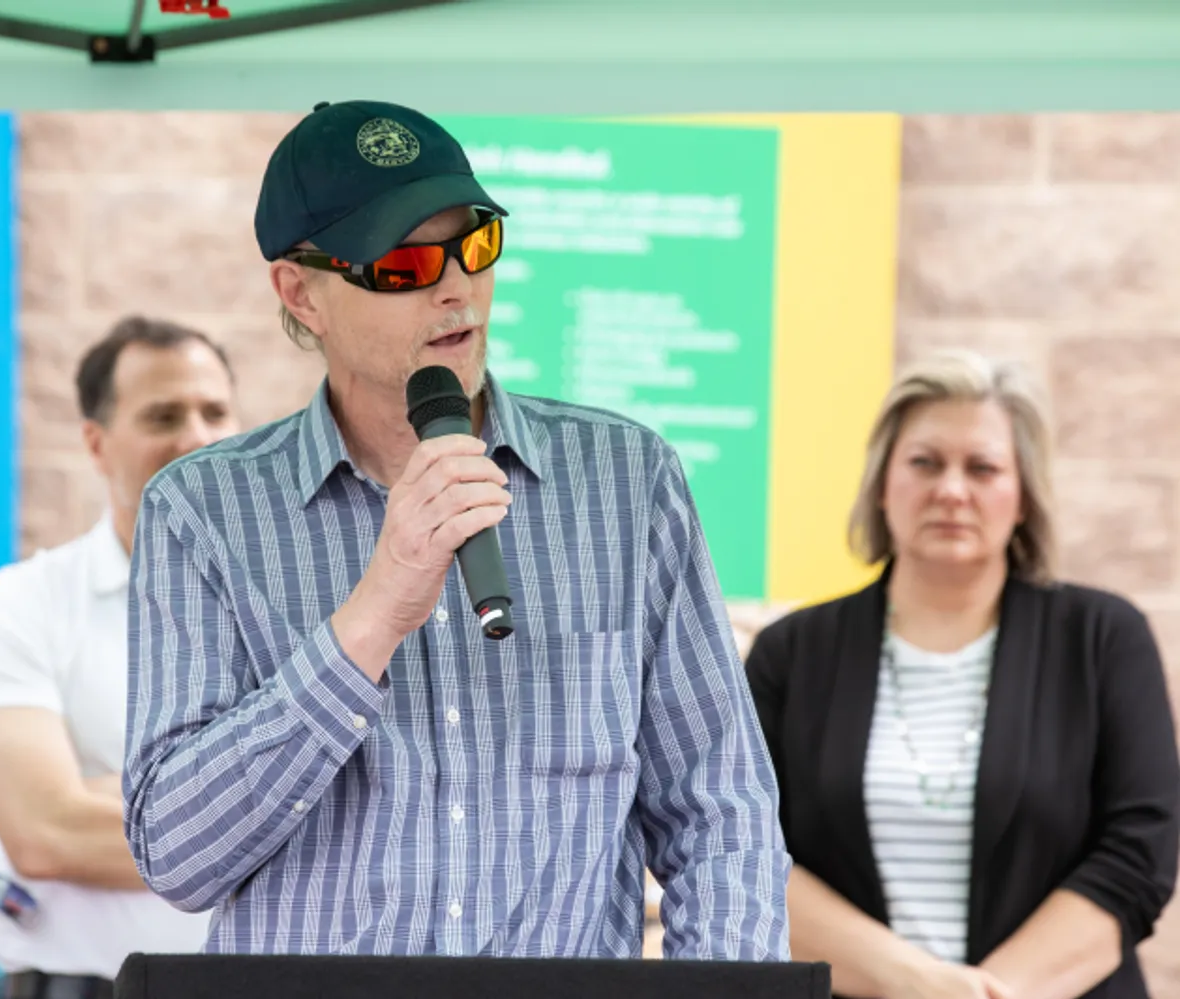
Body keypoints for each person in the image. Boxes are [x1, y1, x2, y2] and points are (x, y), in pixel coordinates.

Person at [122, 99, 791, 959]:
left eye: (474, 243)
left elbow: (721, 813)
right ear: (301, 292)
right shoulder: (201, 512)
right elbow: (177, 856)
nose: (453, 287)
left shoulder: (629, 482)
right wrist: (372, 616)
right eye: (402, 262)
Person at [745, 350, 1180, 999]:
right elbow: (740, 849)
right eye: (924, 462)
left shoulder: (1101, 637)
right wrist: (917, 984)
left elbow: (1140, 853)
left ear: (1024, 494)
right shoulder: (792, 652)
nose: (951, 489)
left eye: (982, 467)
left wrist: (989, 994)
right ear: (882, 482)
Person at [0, 316, 242, 998]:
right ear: (96, 443)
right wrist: (255, 803)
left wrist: (122, 792)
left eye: (215, 411)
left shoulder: (298, 607)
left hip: (253, 981)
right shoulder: (25, 604)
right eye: (164, 414)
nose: (197, 436)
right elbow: (45, 834)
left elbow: (352, 821)